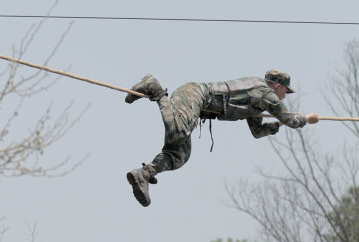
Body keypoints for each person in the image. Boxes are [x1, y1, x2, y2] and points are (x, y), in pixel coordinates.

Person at [125, 70, 319, 207]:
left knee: (180, 154)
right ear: (278, 86)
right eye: (285, 91)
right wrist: (306, 119)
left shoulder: (258, 102)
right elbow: (292, 120)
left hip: (196, 102)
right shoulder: (265, 94)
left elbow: (257, 132)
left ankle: (145, 174)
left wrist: (279, 124)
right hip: (195, 95)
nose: (285, 97)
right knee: (179, 132)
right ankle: (156, 89)